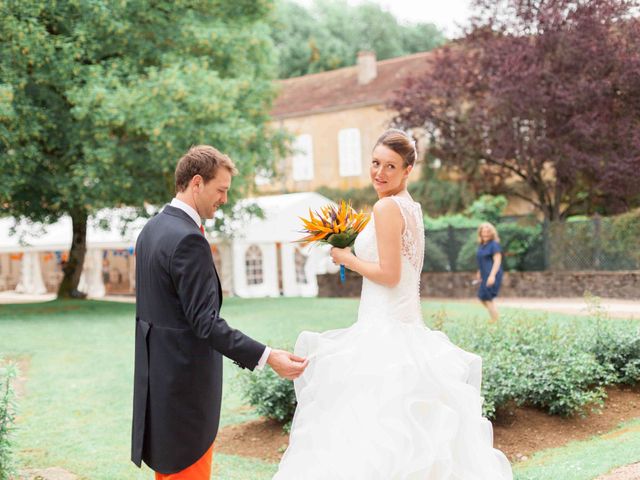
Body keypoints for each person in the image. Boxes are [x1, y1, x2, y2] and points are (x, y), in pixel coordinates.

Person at [273, 129, 512, 479]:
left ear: (407, 169)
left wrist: (346, 257)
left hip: (383, 332)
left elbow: (389, 274)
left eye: (390, 166)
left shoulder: (386, 207)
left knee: (373, 434)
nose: (379, 173)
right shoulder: (410, 207)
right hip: (405, 328)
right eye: (375, 163)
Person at [131, 145, 308, 480]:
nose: (224, 199)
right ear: (196, 183)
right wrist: (268, 356)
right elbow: (205, 323)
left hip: (158, 385)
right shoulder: (187, 239)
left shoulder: (151, 229)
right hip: (185, 392)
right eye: (221, 190)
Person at [475, 222, 503, 323]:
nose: (485, 233)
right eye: (483, 231)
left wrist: (492, 276)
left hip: (492, 274)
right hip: (484, 274)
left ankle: (496, 320)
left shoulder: (494, 245)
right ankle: (496, 317)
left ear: (491, 233)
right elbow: (482, 260)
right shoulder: (482, 245)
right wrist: (479, 271)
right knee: (482, 297)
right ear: (480, 233)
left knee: (487, 298)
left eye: (488, 231)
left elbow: (497, 261)